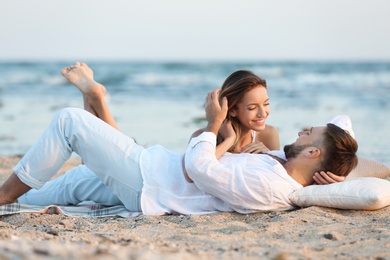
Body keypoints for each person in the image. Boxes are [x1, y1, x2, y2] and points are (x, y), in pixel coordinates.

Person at [0, 85, 358, 215]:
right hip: (151, 170)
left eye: (310, 133)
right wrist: (337, 175)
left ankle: (3, 197)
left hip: (148, 181)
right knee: (55, 189)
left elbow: (200, 170)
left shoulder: (271, 184)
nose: (302, 129)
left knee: (69, 122)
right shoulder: (285, 164)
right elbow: (350, 142)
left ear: (313, 153)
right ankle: (11, 196)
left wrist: (216, 126)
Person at [62, 62, 344, 184]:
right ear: (232, 111)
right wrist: (230, 143)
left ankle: (95, 98)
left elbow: (289, 172)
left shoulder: (269, 136)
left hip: (155, 169)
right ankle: (97, 99)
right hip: (157, 168)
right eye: (253, 107)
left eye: (266, 104)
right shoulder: (205, 134)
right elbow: (193, 172)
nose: (263, 114)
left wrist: (275, 158)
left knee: (102, 149)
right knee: (115, 146)